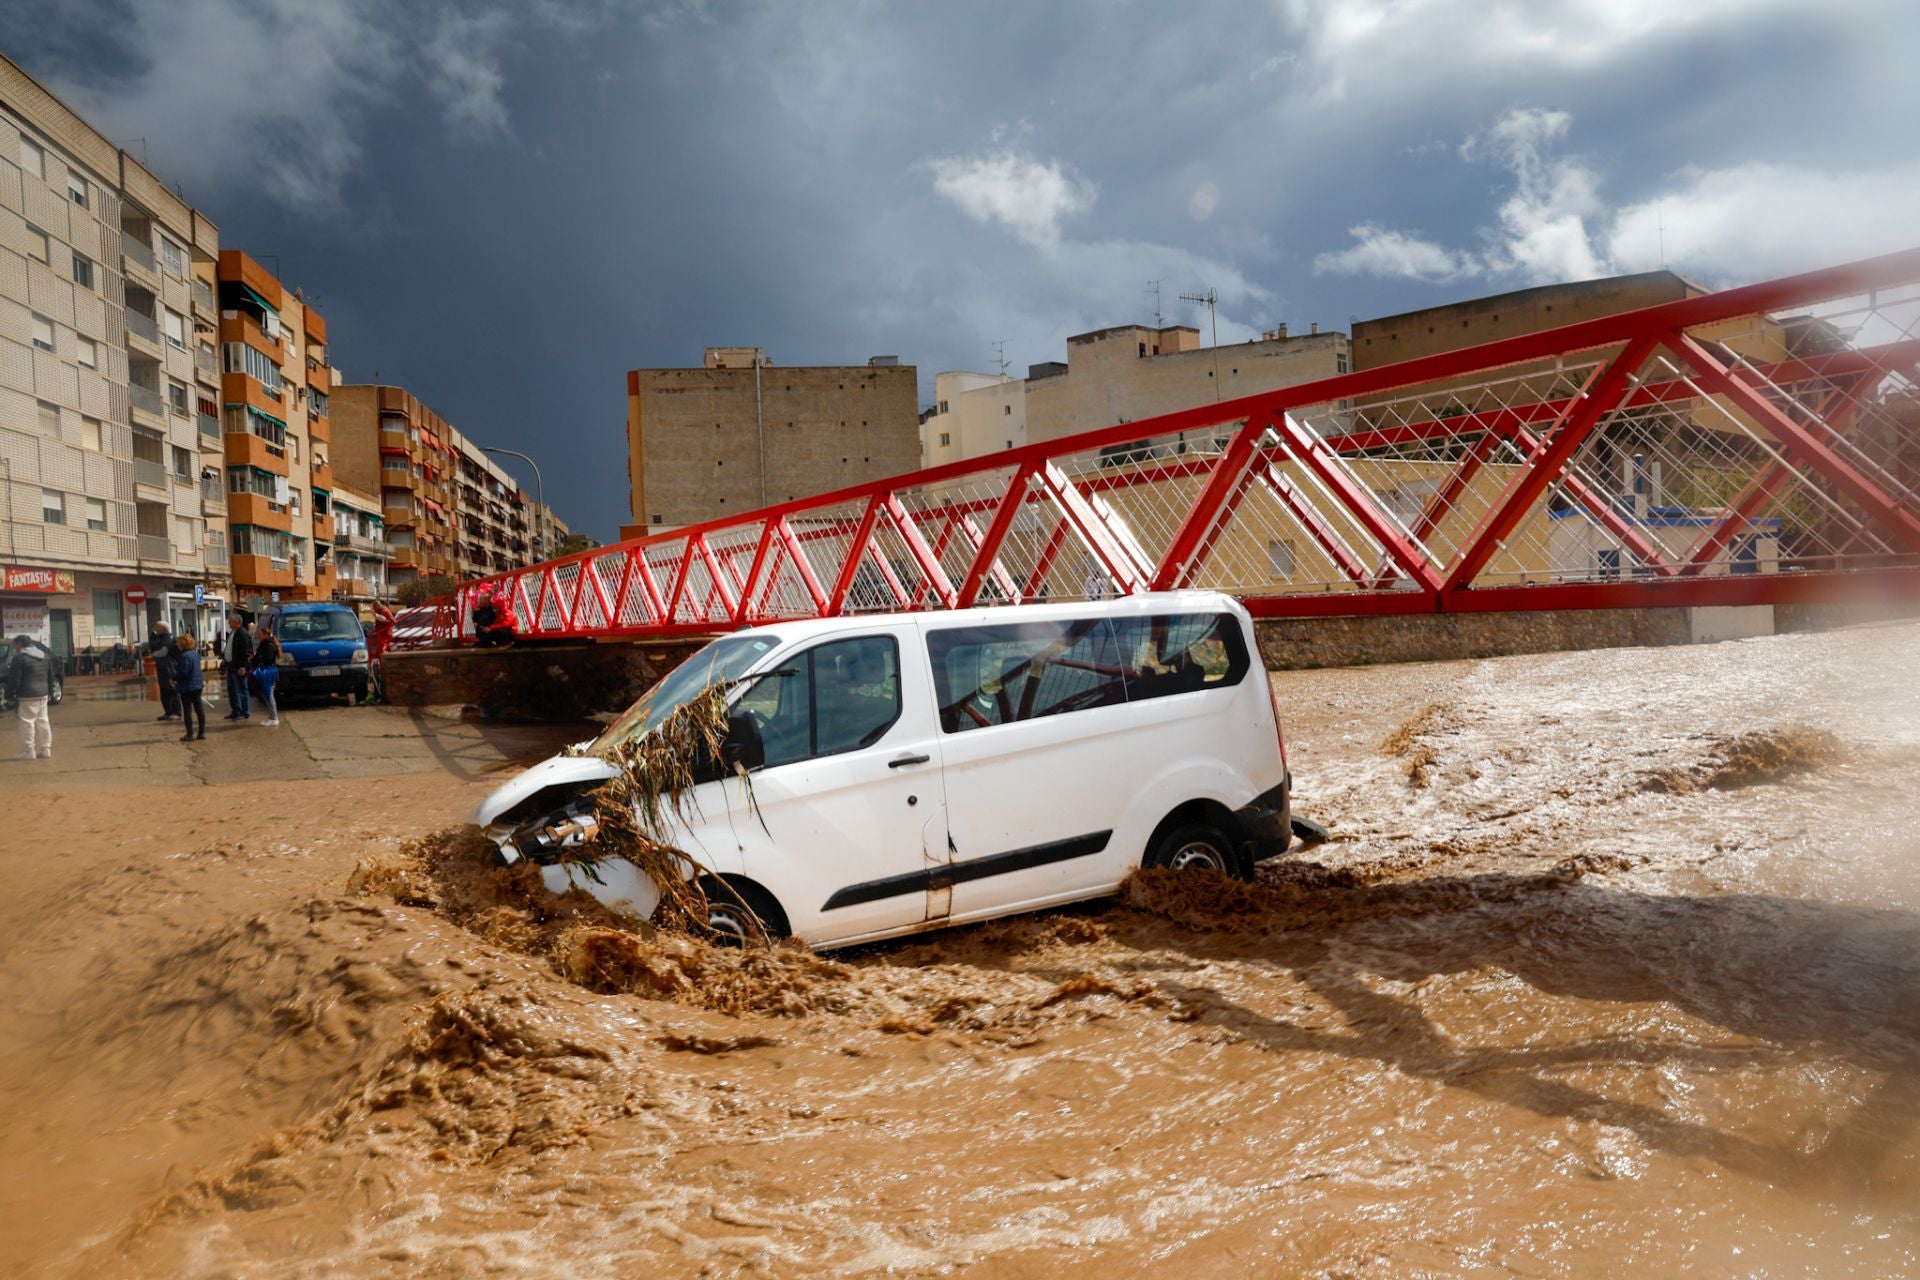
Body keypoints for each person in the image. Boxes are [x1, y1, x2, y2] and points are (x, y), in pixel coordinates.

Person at [5, 634, 53, 760]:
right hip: (43, 694)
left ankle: (29, 751)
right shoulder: (45, 656)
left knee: (27, 722)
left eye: (15, 645)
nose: (15, 648)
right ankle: (46, 749)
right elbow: (50, 676)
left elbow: (14, 679)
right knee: (43, 721)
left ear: (20, 644)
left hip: (27, 696)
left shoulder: (19, 658)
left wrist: (9, 695)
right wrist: (50, 692)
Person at [175, 632, 207, 741]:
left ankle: (190, 734)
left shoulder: (184, 656)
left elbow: (184, 672)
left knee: (187, 711)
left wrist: (174, 677)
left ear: (182, 644)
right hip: (197, 684)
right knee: (199, 710)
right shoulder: (195, 654)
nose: (177, 645)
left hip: (187, 687)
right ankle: (201, 732)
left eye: (178, 643)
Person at [147, 621, 181, 721]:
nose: (155, 629)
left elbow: (163, 652)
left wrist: (153, 654)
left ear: (164, 629)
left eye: (158, 627)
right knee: (164, 691)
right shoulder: (159, 638)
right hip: (161, 668)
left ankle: (177, 712)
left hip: (169, 668)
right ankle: (168, 712)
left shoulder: (168, 639)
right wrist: (152, 637)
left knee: (172, 690)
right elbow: (152, 646)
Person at [251, 625, 282, 727]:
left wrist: (257, 658)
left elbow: (267, 659)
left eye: (260, 634)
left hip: (269, 672)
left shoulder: (269, 645)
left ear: (265, 635)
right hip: (265, 671)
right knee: (265, 694)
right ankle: (271, 716)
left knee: (269, 694)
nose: (259, 636)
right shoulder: (263, 645)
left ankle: (274, 717)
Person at [225, 612, 254, 720]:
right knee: (232, 691)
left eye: (230, 621)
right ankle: (236, 711)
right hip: (231, 666)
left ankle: (244, 712)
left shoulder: (242, 633)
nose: (228, 623)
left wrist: (243, 666)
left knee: (242, 690)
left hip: (238, 667)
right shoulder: (233, 632)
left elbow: (247, 651)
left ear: (236, 622)